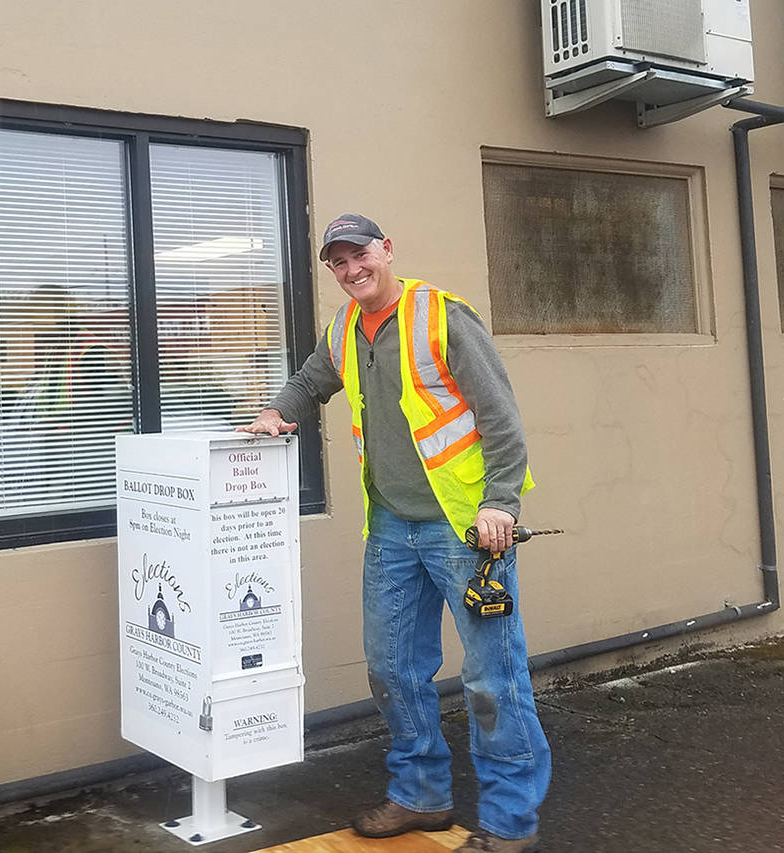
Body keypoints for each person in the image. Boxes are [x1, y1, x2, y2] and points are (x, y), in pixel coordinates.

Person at [240, 214, 550, 853]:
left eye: (361, 255)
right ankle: (420, 795)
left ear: (387, 250)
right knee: (393, 671)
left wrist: (502, 504)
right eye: (338, 262)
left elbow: (502, 418)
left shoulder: (442, 317)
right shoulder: (344, 330)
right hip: (389, 528)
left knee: (494, 678)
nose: (352, 270)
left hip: (466, 529)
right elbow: (310, 381)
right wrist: (277, 412)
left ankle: (510, 821)